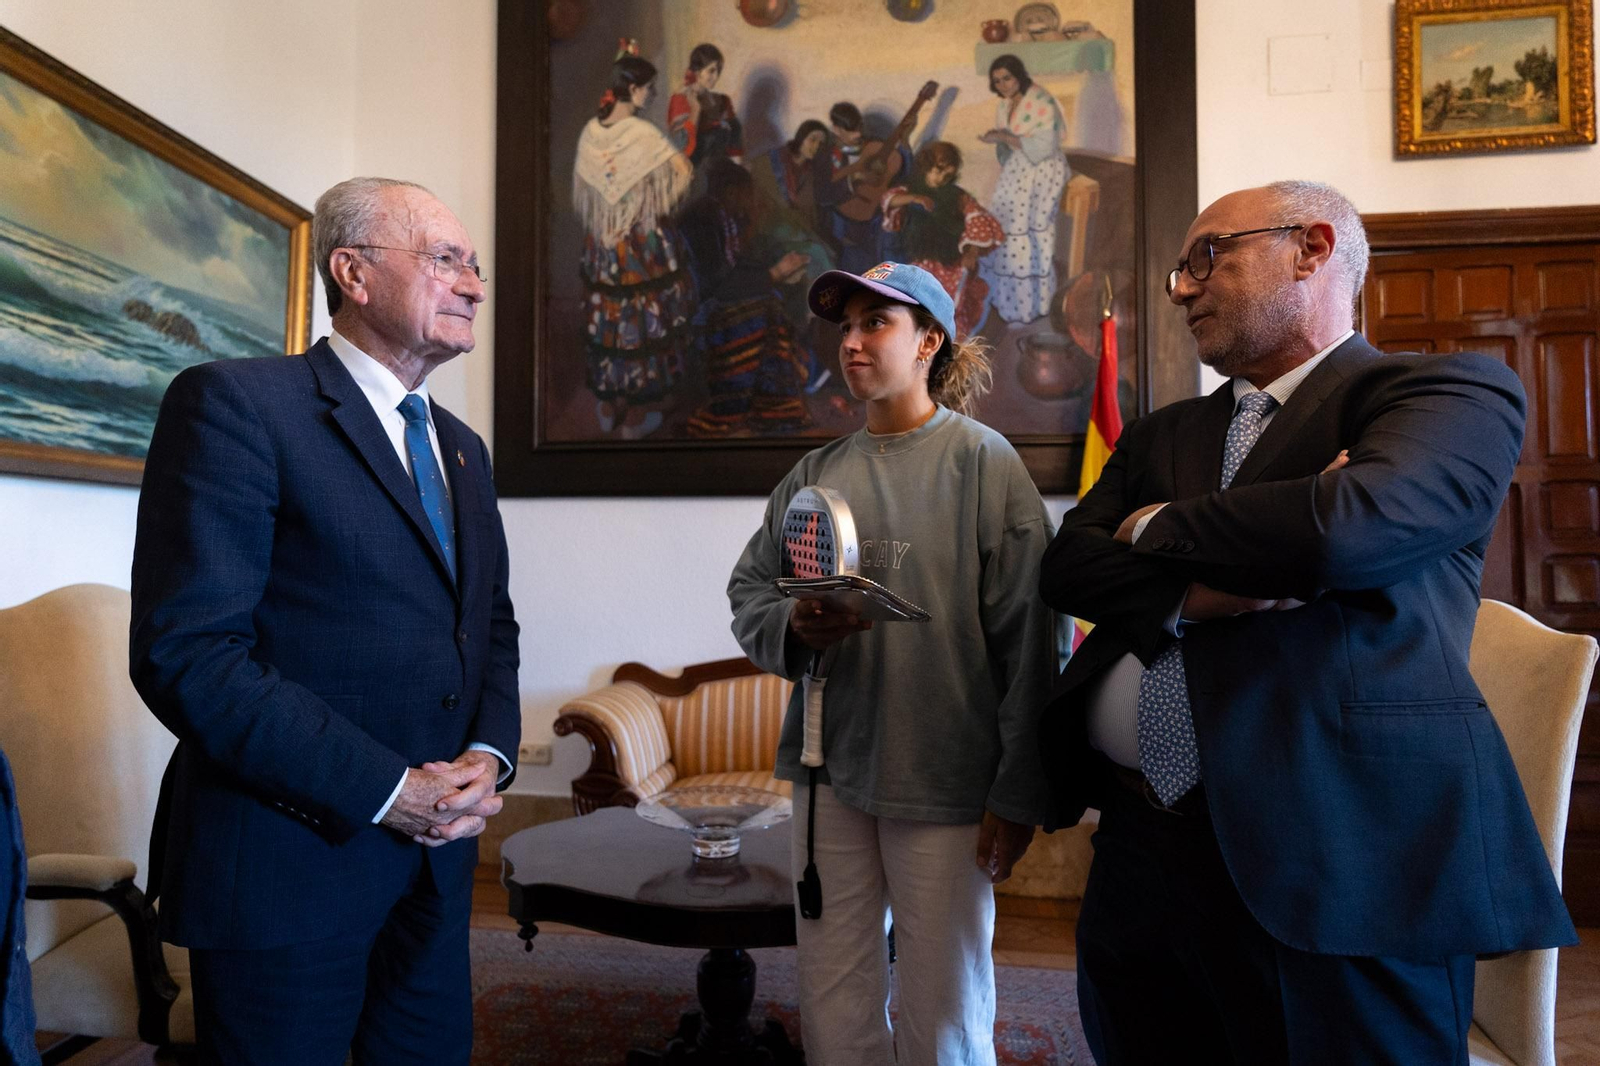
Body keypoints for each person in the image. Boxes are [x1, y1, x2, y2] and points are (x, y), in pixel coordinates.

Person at [1037, 180, 1576, 1064]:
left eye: (1209, 256)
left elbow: (1346, 530)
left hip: (1343, 851)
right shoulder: (1163, 433)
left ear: (1313, 249)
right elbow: (1067, 564)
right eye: (1180, 267)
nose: (1181, 288)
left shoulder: (1447, 393)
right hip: (1141, 849)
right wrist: (1192, 592)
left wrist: (1153, 526)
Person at [129, 176, 521, 1066]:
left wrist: (486, 758)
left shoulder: (463, 449)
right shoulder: (235, 405)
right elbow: (188, 654)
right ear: (353, 272)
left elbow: (489, 627)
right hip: (286, 867)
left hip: (436, 864)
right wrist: (392, 790)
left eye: (475, 266)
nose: (473, 284)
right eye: (446, 259)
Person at [728, 262, 1057, 1065]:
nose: (851, 342)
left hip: (945, 778)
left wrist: (1017, 792)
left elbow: (1032, 639)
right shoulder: (813, 475)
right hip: (828, 775)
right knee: (834, 999)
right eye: (845, 327)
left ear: (929, 342)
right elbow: (749, 593)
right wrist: (798, 627)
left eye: (876, 323)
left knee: (944, 1007)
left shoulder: (984, 464)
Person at [573, 44, 695, 440]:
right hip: (641, 242)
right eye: (650, 88)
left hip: (604, 243)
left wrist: (617, 215)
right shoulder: (641, 132)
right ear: (635, 89)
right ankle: (640, 411)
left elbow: (590, 192)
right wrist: (653, 206)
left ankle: (611, 405)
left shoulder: (592, 131)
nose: (653, 95)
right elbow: (683, 171)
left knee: (610, 315)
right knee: (644, 320)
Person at [678, 159, 811, 438]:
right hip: (706, 308)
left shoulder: (726, 216)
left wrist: (778, 272)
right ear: (732, 191)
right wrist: (774, 274)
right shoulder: (699, 221)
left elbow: (738, 265)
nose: (751, 200)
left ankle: (777, 397)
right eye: (746, 192)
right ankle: (773, 399)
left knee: (775, 298)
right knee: (768, 308)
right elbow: (714, 283)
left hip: (723, 296)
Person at [881, 140, 1005, 339]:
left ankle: (949, 343)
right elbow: (889, 199)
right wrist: (914, 198)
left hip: (949, 260)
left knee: (950, 304)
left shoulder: (956, 195)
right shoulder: (911, 188)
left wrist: (971, 251)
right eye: (938, 172)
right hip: (919, 259)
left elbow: (978, 219)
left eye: (947, 175)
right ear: (926, 166)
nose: (941, 179)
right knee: (918, 304)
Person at [978, 55, 1068, 325]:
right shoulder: (1004, 106)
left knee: (1024, 227)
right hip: (1019, 165)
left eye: (1007, 77)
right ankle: (1009, 301)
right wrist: (1000, 141)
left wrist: (1002, 137)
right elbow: (1008, 148)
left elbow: (1044, 147)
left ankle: (1033, 303)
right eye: (997, 81)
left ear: (1018, 75)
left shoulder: (1040, 100)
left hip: (1044, 168)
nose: (1003, 85)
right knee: (1003, 219)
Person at [666, 42, 744, 175]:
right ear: (697, 71)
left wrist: (738, 170)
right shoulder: (681, 100)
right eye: (711, 71)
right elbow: (681, 147)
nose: (716, 76)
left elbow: (735, 144)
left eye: (719, 70)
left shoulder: (722, 101)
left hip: (722, 172)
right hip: (693, 173)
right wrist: (695, 110)